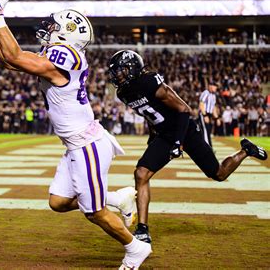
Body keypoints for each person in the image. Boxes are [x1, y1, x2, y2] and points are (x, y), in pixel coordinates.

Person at [0, 0, 151, 269]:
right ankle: (118, 198)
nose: (49, 30)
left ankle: (134, 247)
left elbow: (14, 56)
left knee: (95, 213)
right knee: (58, 202)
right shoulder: (59, 55)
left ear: (67, 34)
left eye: (54, 28)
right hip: (77, 145)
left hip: (87, 144)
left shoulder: (68, 56)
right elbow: (9, 62)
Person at [107, 50, 268, 244]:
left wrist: (179, 142)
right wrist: (153, 134)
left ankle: (246, 150)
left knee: (218, 174)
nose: (117, 75)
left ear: (132, 68)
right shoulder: (123, 92)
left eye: (120, 71)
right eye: (115, 72)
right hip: (165, 135)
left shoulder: (149, 82)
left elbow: (184, 110)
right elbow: (149, 114)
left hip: (186, 131)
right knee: (141, 173)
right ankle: (143, 229)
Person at [198, 82, 217, 146]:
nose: (216, 88)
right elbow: (201, 104)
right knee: (205, 131)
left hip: (209, 115)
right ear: (210, 86)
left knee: (208, 131)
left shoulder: (213, 95)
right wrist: (205, 115)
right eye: (215, 86)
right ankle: (207, 147)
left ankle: (208, 146)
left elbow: (213, 107)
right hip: (204, 114)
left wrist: (217, 118)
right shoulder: (206, 93)